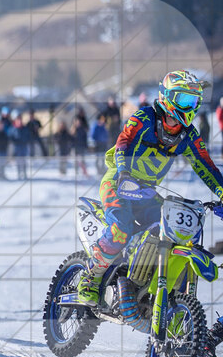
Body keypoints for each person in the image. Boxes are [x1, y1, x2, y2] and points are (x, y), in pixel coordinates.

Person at [77, 70, 223, 306]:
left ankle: (143, 283)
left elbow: (207, 167)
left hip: (145, 193)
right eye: (185, 100)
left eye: (194, 101)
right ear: (168, 97)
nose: (190, 106)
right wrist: (124, 171)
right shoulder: (145, 117)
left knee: (169, 231)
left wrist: (222, 193)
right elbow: (124, 141)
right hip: (118, 182)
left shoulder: (188, 136)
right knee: (120, 229)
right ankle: (90, 278)